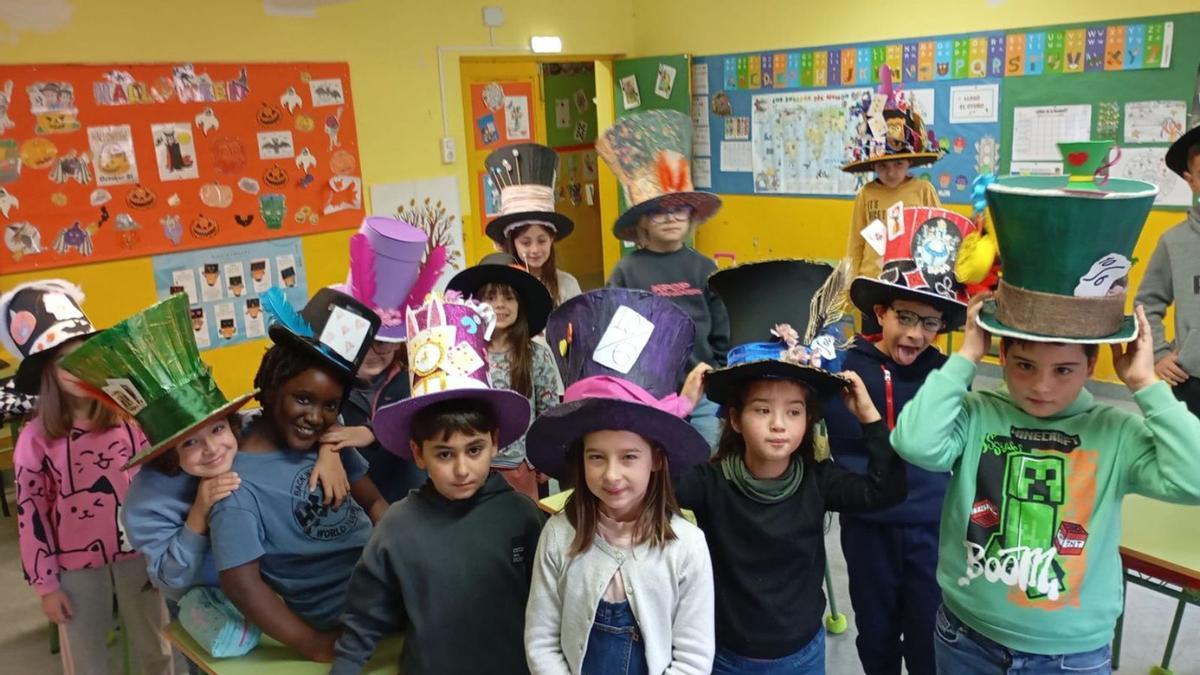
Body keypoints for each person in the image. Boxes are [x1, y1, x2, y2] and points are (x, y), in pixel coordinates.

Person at [893, 149, 1200, 673]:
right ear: (1001, 354)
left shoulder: (1114, 431)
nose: (1040, 386)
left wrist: (1145, 383)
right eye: (1024, 365)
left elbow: (1193, 480)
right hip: (966, 637)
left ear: (1092, 364)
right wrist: (965, 357)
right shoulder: (977, 412)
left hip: (1069, 655)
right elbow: (914, 443)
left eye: (1063, 370)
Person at [675, 260, 906, 674]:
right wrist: (679, 411)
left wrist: (870, 418)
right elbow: (652, 484)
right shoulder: (711, 483)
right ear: (734, 418)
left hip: (802, 656)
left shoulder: (818, 481)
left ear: (808, 420)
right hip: (726, 655)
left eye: (794, 412)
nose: (779, 424)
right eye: (762, 410)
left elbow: (885, 490)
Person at [331, 291, 545, 675]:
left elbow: (548, 607)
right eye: (444, 454)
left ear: (495, 442)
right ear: (418, 454)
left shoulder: (521, 515)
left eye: (474, 450)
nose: (462, 469)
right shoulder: (397, 528)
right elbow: (363, 620)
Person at [525, 287, 715, 674]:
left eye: (629, 457)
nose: (611, 475)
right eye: (596, 457)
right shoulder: (559, 537)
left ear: (656, 459)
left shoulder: (687, 547)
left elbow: (693, 658)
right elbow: (542, 640)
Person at [825, 206, 981, 675]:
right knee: (875, 631)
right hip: (867, 527)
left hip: (931, 529)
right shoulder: (843, 369)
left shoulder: (947, 376)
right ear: (880, 312)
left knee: (928, 632)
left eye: (930, 323)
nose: (915, 333)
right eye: (905, 317)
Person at [3, 280, 174, 675]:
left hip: (140, 555)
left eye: (85, 355)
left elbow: (160, 483)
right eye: (64, 360)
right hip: (75, 569)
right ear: (47, 371)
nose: (77, 368)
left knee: (156, 650)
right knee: (86, 660)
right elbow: (32, 515)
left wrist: (163, 548)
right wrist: (47, 586)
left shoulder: (130, 419)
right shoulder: (36, 439)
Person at [208, 288, 386, 662]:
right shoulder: (237, 484)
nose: (316, 418)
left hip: (386, 575)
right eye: (303, 399)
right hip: (347, 608)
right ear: (271, 390)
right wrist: (313, 644)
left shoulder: (328, 439)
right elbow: (240, 581)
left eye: (330, 406)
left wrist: (404, 550)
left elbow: (373, 501)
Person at [598, 109, 729, 449]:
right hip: (649, 392)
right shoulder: (627, 271)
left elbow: (722, 329)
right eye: (659, 210)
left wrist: (714, 370)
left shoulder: (704, 268)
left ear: (691, 214)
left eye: (679, 208)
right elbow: (614, 336)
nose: (671, 217)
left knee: (704, 458)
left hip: (703, 391)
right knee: (658, 460)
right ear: (642, 219)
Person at [333, 216, 441, 502]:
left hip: (412, 501)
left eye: (384, 343)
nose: (373, 352)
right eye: (365, 341)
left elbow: (425, 421)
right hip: (350, 507)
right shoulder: (330, 382)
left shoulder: (415, 380)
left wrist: (371, 432)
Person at [842, 64, 944, 335]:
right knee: (872, 345)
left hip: (911, 284)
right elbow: (855, 243)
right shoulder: (866, 194)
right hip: (872, 285)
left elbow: (940, 236)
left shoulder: (923, 190)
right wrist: (850, 284)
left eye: (898, 164)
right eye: (883, 166)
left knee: (908, 342)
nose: (891, 172)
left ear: (910, 161)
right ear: (873, 165)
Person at [447, 254, 558, 500]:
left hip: (521, 467)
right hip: (473, 466)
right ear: (475, 304)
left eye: (509, 297)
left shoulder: (536, 355)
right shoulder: (462, 352)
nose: (500, 305)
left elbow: (549, 412)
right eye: (490, 297)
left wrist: (544, 458)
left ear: (520, 305)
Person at [1136, 124, 1200, 415]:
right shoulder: (1174, 242)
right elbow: (1146, 303)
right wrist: (1159, 353)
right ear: (1191, 181)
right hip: (1192, 382)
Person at [485, 142, 582, 306]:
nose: (535, 250)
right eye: (525, 242)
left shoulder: (568, 286)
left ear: (552, 239)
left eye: (542, 240)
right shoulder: (500, 288)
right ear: (512, 242)